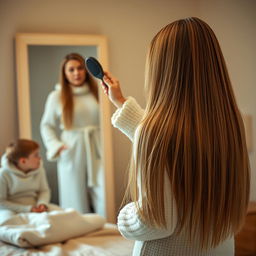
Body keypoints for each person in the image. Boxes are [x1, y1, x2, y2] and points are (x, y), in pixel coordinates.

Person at [101, 17, 250, 255]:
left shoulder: (152, 132)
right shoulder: (230, 124)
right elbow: (174, 145)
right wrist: (120, 102)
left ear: (163, 70)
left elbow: (154, 222)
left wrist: (124, 217)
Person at [40, 53, 102, 214]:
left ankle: (107, 228)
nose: (76, 73)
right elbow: (46, 125)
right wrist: (57, 146)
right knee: (74, 194)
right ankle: (77, 231)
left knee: (103, 190)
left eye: (80, 68)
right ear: (65, 73)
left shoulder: (98, 92)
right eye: (71, 69)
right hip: (71, 147)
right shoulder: (57, 96)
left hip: (97, 146)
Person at [0, 139, 61, 225]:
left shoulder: (39, 170)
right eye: (36, 155)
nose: (40, 158)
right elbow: (1, 202)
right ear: (23, 161)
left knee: (62, 214)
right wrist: (28, 209)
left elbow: (44, 190)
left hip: (36, 207)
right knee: (7, 222)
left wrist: (42, 204)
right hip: (12, 210)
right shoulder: (3, 174)